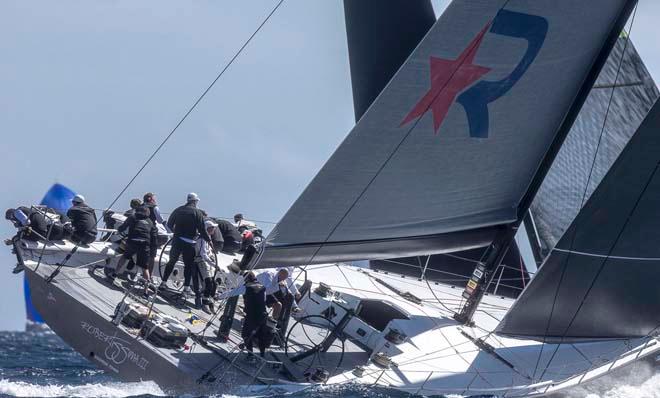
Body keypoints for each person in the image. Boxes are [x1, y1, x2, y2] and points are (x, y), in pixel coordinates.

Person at [160, 193, 211, 307]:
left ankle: (163, 283)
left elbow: (169, 224)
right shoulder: (197, 212)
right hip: (189, 243)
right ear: (195, 201)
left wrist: (177, 232)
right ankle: (186, 288)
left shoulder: (178, 210)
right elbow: (202, 229)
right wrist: (209, 241)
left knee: (171, 261)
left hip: (177, 241)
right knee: (189, 266)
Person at [114, 205, 158, 292]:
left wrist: (119, 230)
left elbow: (123, 227)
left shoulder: (133, 217)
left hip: (133, 241)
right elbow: (154, 237)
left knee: (125, 256)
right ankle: (145, 290)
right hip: (145, 244)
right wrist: (153, 251)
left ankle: (115, 273)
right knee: (144, 267)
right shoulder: (150, 222)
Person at [240, 271, 275, 358]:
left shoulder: (246, 287)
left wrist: (218, 296)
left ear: (247, 279)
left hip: (252, 315)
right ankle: (262, 355)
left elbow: (232, 292)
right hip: (263, 315)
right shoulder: (263, 287)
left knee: (245, 334)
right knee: (261, 336)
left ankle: (250, 355)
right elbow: (263, 300)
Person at [195, 220, 220, 314]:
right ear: (207, 229)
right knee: (209, 282)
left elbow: (209, 253)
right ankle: (204, 302)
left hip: (208, 262)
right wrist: (214, 265)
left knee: (215, 284)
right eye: (212, 228)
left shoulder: (208, 238)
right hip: (201, 261)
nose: (214, 229)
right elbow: (203, 255)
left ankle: (210, 302)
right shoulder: (202, 239)